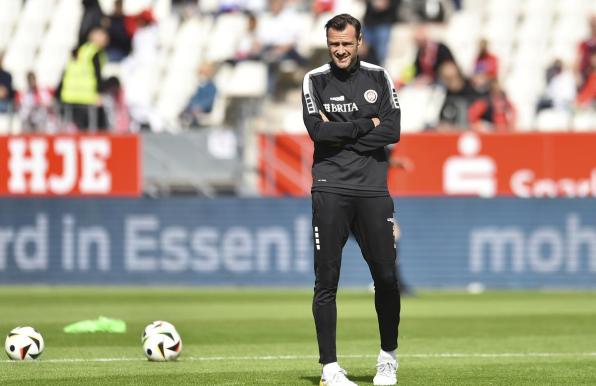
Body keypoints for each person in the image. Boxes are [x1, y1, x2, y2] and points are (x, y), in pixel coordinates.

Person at [302, 13, 401, 386]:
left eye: (346, 43)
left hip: (373, 190)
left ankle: (387, 358)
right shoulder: (314, 80)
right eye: (334, 44)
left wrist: (340, 132)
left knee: (387, 278)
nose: (340, 50)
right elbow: (317, 132)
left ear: (359, 42)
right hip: (329, 187)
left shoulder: (379, 77)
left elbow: (393, 130)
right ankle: (329, 368)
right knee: (326, 280)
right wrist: (365, 125)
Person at [57, 27, 109, 131]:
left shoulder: (80, 51)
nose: (106, 38)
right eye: (103, 35)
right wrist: (99, 93)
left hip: (70, 96)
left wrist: (58, 93)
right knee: (91, 130)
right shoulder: (94, 52)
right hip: (87, 97)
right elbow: (97, 74)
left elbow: (67, 72)